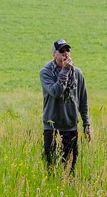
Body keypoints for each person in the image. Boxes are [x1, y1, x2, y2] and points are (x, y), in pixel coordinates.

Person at [39, 39, 91, 175]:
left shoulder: (78, 73)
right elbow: (56, 92)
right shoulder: (46, 73)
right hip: (52, 128)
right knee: (51, 169)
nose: (65, 54)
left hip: (71, 128)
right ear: (54, 54)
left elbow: (83, 101)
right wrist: (65, 70)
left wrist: (87, 124)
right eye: (62, 51)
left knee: (69, 170)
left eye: (67, 50)